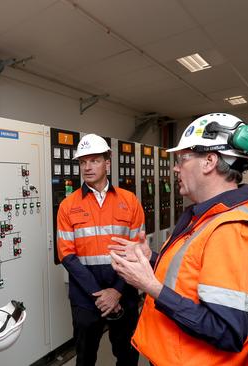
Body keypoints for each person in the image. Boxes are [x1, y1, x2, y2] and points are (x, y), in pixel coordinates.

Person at [110, 113, 248, 366]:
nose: (175, 167)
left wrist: (151, 286)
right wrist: (150, 258)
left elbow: (226, 330)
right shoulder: (208, 218)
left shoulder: (234, 231)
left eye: (182, 158)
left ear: (209, 161)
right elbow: (187, 275)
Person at [56, 134, 143, 366]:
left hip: (124, 293)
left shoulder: (130, 201)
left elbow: (138, 252)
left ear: (107, 162)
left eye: (94, 160)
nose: (87, 167)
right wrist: (99, 293)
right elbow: (66, 254)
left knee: (127, 355)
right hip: (85, 298)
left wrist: (115, 292)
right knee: (85, 357)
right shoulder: (68, 205)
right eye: (83, 162)